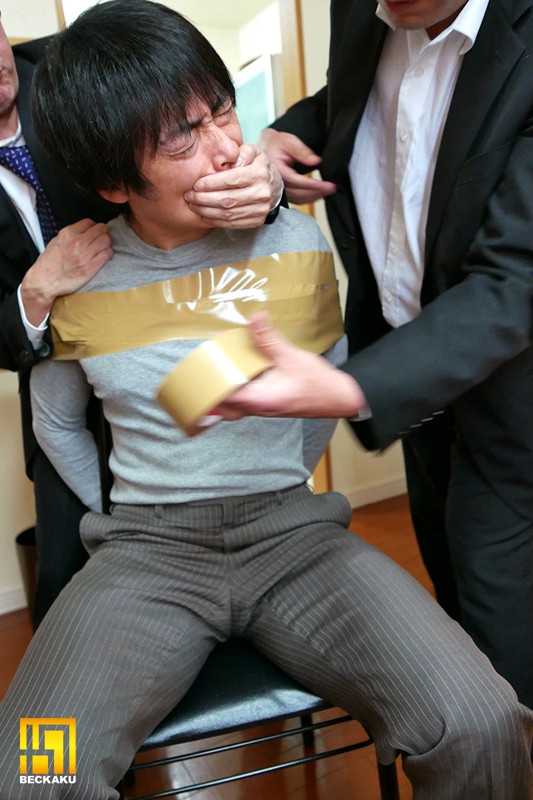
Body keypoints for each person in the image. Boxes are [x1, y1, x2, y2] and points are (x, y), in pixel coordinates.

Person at [1, 3, 532, 798]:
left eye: (220, 112)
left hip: (295, 536)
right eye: (180, 138)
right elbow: (54, 420)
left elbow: (322, 382)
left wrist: (278, 470)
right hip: (145, 555)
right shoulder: (79, 275)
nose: (226, 149)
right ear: (114, 181)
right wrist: (121, 508)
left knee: (480, 720)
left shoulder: (293, 244)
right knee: (34, 768)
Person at [217, 0, 533, 709]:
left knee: (496, 625)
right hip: (406, 372)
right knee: (449, 582)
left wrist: (354, 388)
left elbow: (515, 279)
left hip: (508, 386)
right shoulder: (365, 10)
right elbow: (349, 96)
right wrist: (282, 134)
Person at [0, 12, 281, 629]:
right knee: (65, 595)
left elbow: (213, 150)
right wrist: (35, 294)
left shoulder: (78, 71)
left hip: (179, 351)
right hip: (56, 362)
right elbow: (52, 418)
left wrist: (270, 185)